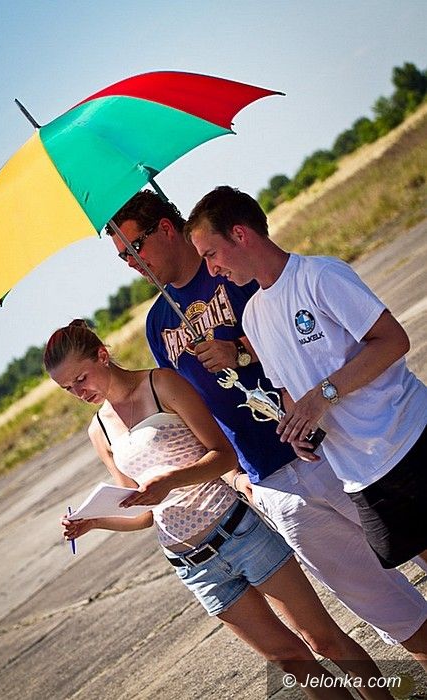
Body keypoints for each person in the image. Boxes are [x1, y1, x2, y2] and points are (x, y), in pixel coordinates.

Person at [109, 189, 427, 670]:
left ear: (166, 229)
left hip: (335, 450)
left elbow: (293, 328)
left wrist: (235, 351)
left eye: (134, 247)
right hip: (270, 479)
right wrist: (235, 476)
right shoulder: (158, 324)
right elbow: (189, 410)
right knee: (379, 603)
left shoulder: (238, 271)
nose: (132, 263)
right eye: (122, 257)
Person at [45, 320, 391, 698]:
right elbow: (141, 512)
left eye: (80, 378)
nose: (78, 392)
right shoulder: (99, 431)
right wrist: (95, 522)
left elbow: (223, 455)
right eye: (68, 388)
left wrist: (172, 480)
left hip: (239, 532)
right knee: (290, 660)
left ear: (102, 355)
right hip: (193, 566)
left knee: (322, 640)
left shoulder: (162, 384)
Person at [185, 185, 427, 573]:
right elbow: (288, 389)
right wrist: (296, 426)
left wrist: (323, 395)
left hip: (409, 437)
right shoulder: (253, 316)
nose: (212, 270)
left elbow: (393, 340)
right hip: (360, 473)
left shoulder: (319, 275)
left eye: (211, 254)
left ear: (240, 234)